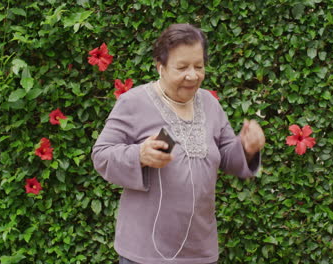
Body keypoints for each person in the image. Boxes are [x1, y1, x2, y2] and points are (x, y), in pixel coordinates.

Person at [91, 23, 265, 264]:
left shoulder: (210, 104)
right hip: (145, 253)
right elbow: (101, 155)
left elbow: (226, 156)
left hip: (200, 251)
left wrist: (247, 147)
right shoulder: (134, 103)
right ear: (160, 67)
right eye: (182, 67)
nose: (192, 75)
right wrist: (139, 154)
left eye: (199, 66)